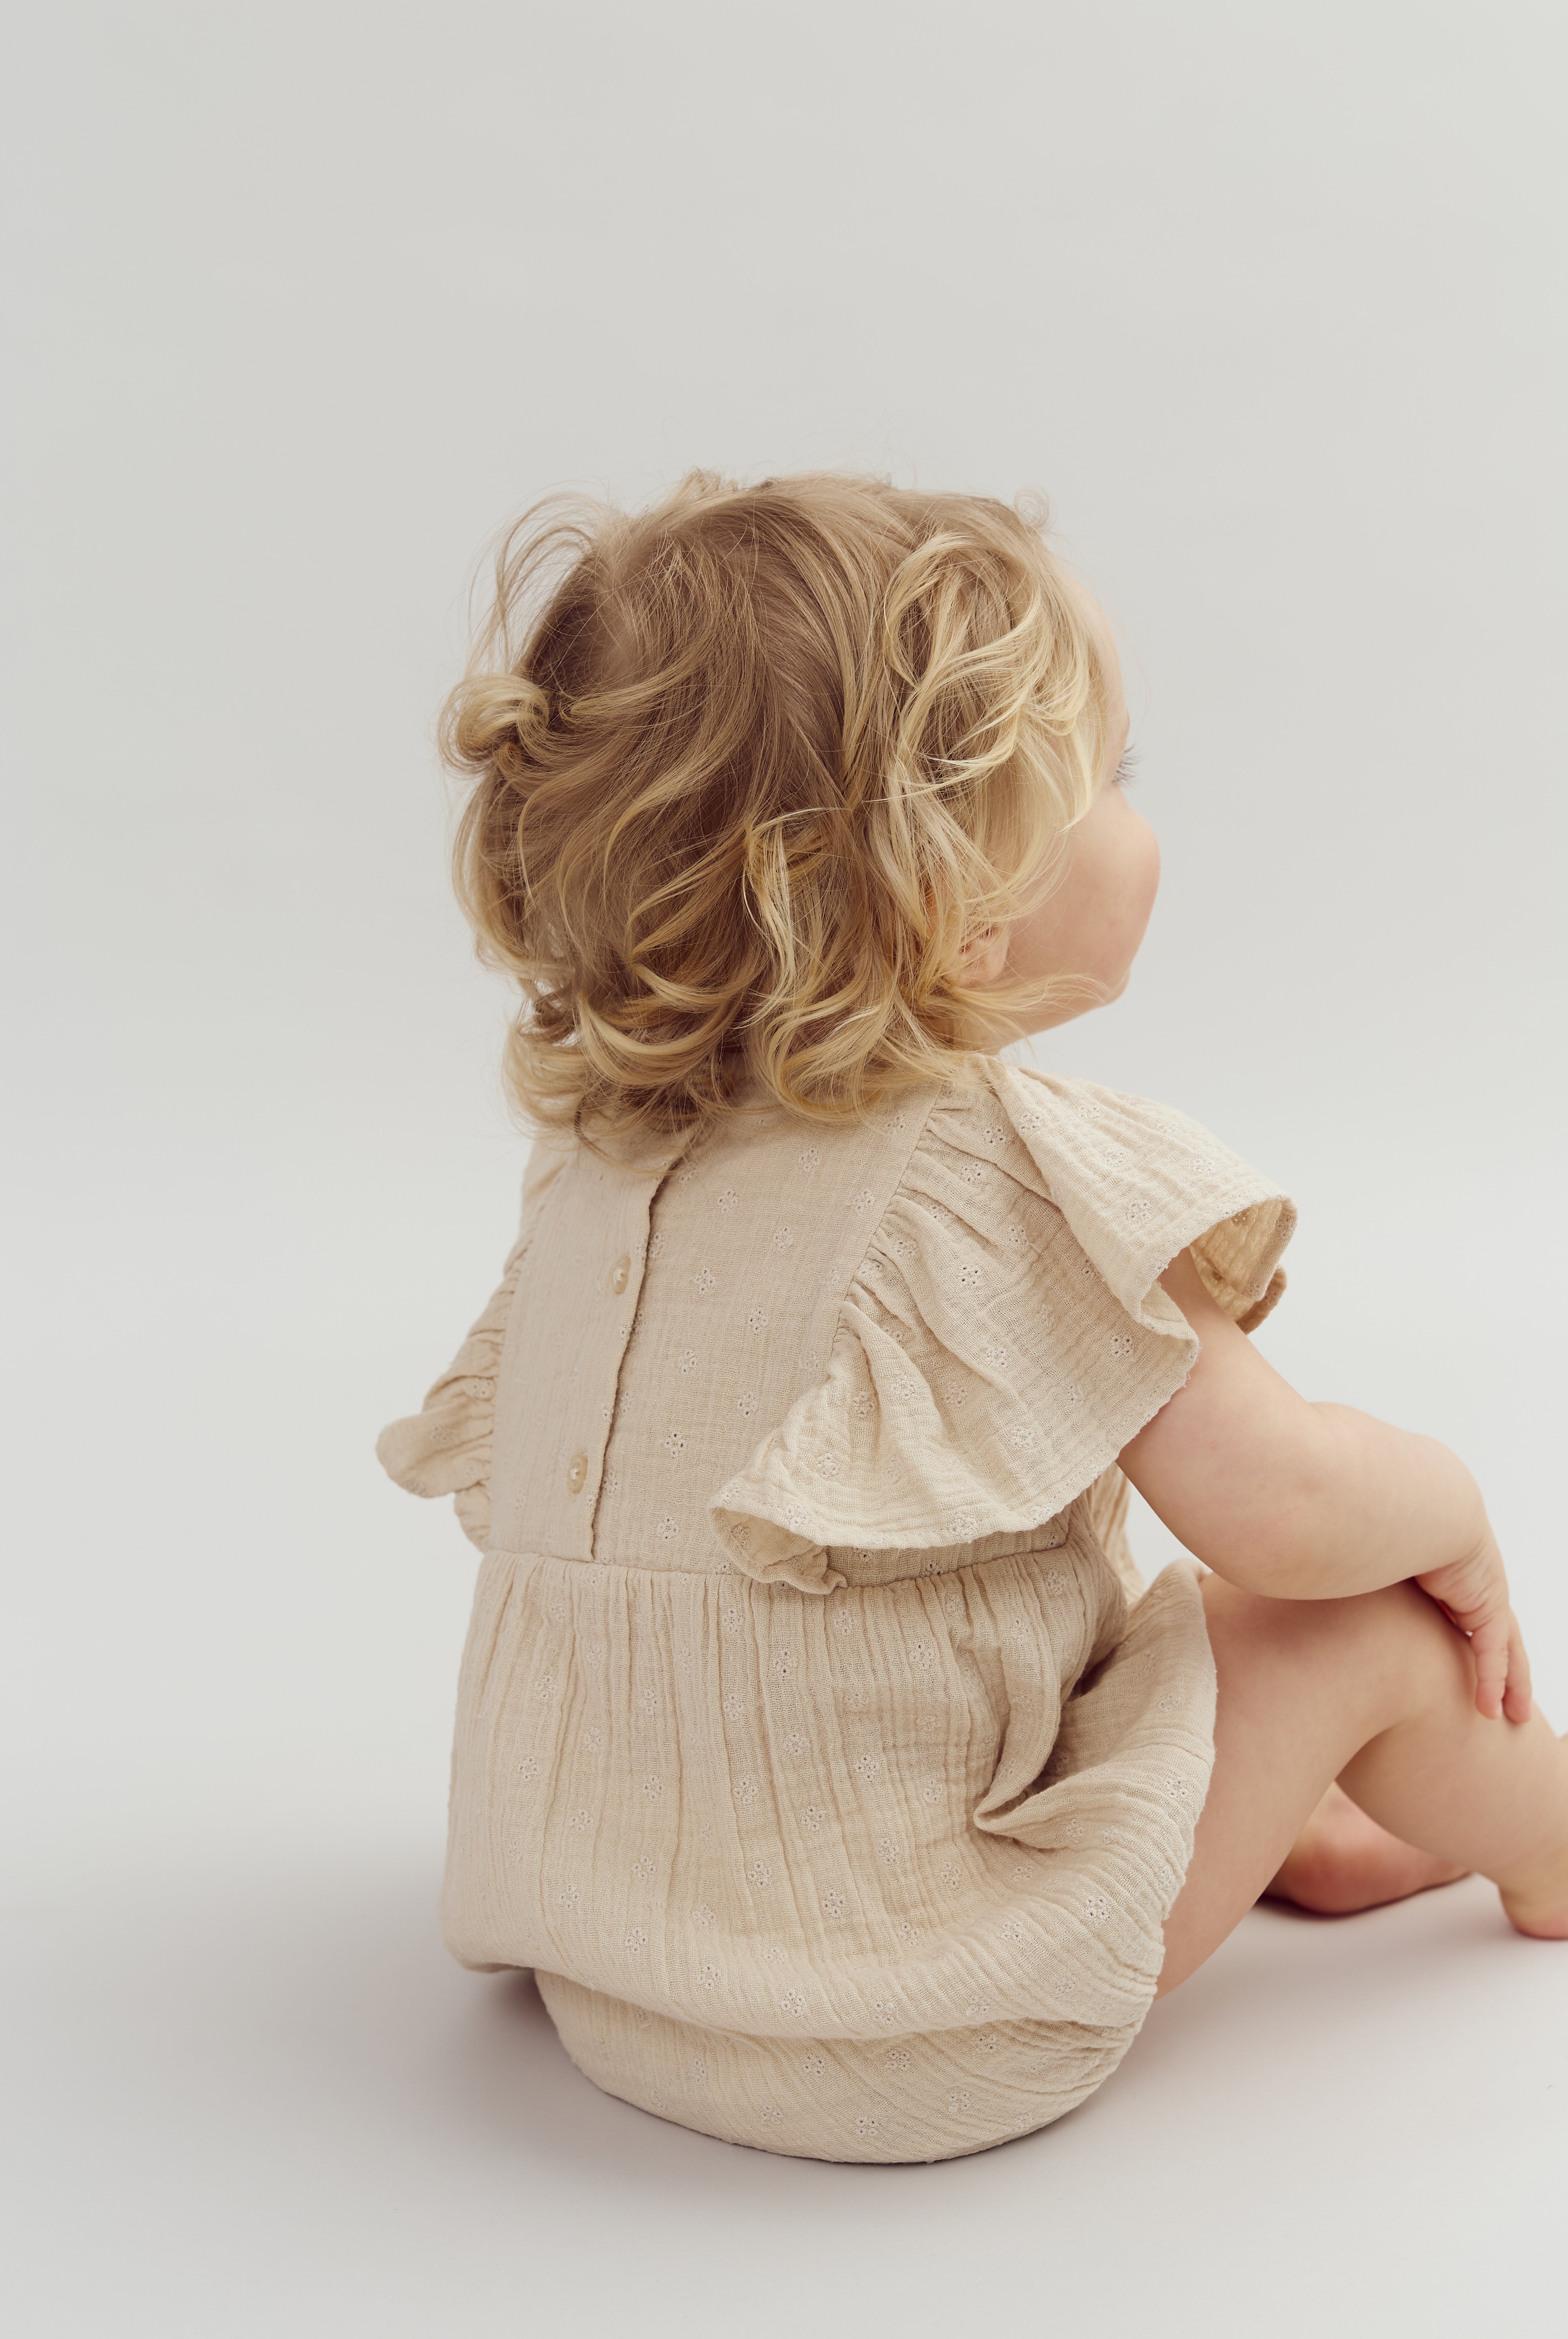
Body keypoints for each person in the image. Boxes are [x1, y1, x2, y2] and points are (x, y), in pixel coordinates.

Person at [376, 472, 1568, 2164]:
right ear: (951, 883)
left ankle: (1297, 1823)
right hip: (919, 2017)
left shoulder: (603, 1168)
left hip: (616, 1967)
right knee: (1348, 1627)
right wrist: (1451, 1507)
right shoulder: (1001, 1167)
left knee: (1127, 1646)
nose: (1142, 818)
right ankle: (1550, 1846)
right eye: (1111, 778)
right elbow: (1288, 1507)